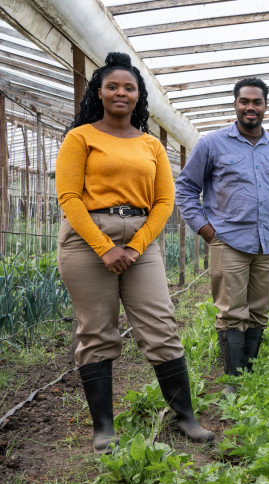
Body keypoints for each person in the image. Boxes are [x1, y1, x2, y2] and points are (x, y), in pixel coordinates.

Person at [56, 52, 214, 451]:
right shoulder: (80, 138)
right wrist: (104, 247)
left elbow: (164, 202)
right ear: (99, 92)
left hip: (141, 238)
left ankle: (186, 419)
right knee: (96, 331)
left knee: (160, 327)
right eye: (113, 86)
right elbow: (69, 198)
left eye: (129, 87)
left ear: (139, 95)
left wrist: (136, 246)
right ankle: (104, 429)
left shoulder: (151, 145)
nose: (121, 93)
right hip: (88, 237)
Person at [175, 77, 269, 394]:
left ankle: (247, 376)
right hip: (228, 241)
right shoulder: (212, 144)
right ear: (235, 103)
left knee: (259, 312)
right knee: (232, 312)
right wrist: (206, 230)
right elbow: (186, 189)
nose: (250, 107)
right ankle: (233, 384)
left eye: (256, 102)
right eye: (244, 101)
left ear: (265, 107)